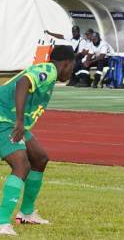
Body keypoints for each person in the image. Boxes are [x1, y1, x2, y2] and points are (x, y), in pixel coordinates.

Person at [0, 45, 75, 236]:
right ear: (66, 63)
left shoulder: (49, 74)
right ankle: (1, 222)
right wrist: (18, 120)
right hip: (4, 120)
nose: (71, 72)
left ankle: (26, 213)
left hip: (13, 122)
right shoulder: (49, 70)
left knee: (40, 158)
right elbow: (24, 82)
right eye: (72, 67)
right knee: (21, 165)